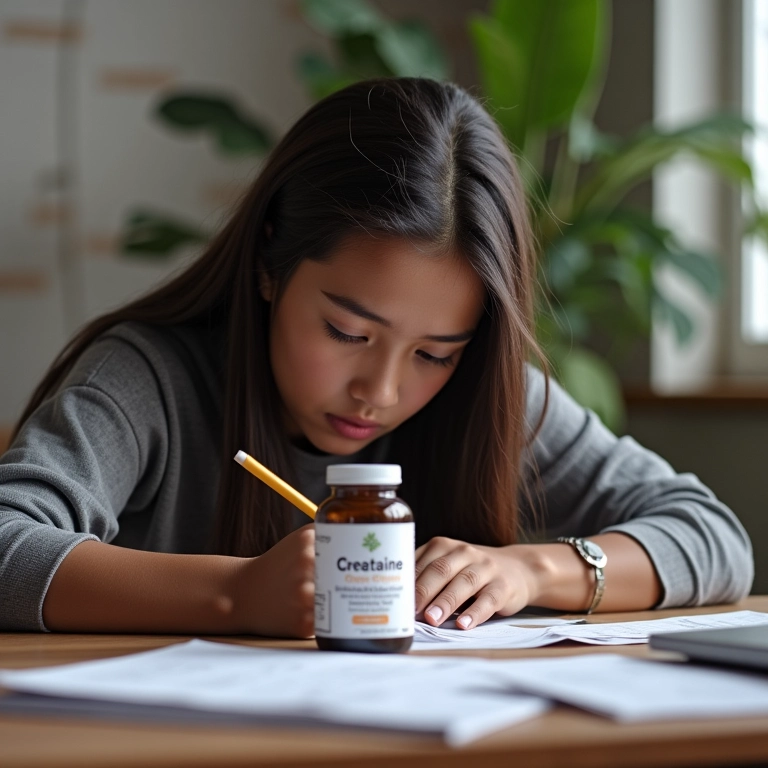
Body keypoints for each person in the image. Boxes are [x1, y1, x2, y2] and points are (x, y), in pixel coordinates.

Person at [0, 78, 753, 637]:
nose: (380, 391)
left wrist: (531, 569)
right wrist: (232, 595)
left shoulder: (487, 397)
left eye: (434, 352)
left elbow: (712, 534)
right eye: (347, 333)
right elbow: (8, 541)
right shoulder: (146, 379)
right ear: (270, 262)